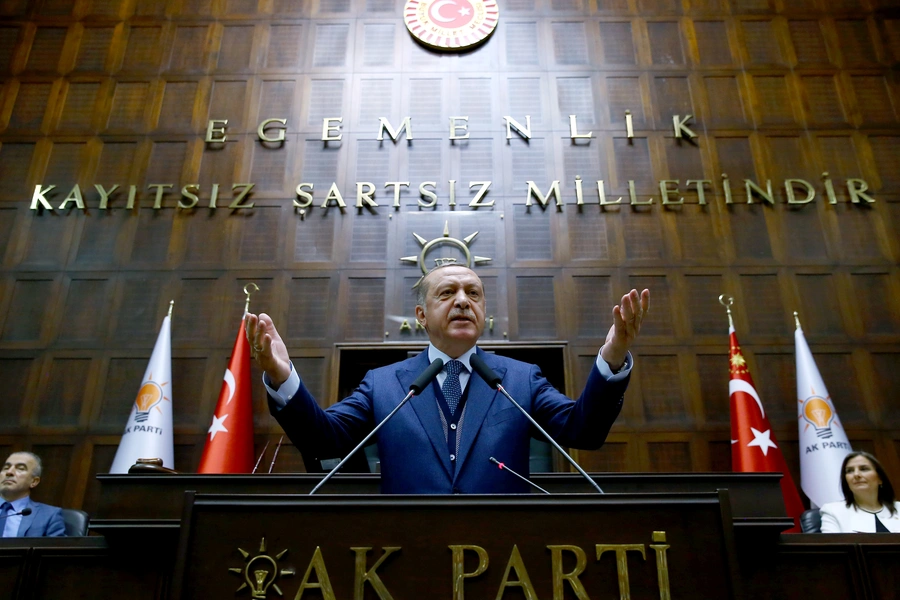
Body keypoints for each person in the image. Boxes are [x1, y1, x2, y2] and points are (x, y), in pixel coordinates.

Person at [246, 264, 649, 493]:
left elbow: (584, 430)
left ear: (483, 312)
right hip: (405, 554)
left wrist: (613, 356)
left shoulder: (521, 379)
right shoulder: (382, 383)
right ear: (421, 316)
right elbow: (324, 438)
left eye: (473, 294)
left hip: (510, 554)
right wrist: (282, 377)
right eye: (447, 293)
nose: (462, 301)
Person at [819, 451, 900, 533]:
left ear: (880, 478)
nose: (856, 474)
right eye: (850, 471)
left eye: (864, 469)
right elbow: (832, 545)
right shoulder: (833, 511)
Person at [1, 452, 66, 537]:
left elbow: (56, 549)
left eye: (20, 468)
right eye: (6, 468)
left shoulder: (49, 516)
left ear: (34, 481)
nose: (9, 472)